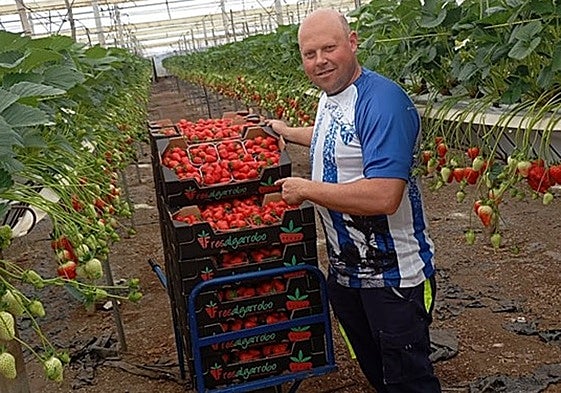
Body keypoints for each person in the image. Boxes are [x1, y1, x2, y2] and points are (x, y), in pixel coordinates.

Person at [269, 8, 442, 393]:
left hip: (393, 278)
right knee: (379, 373)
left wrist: (305, 189)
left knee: (408, 380)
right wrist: (288, 131)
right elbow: (338, 134)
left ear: (352, 42)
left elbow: (385, 195)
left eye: (329, 48)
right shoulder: (333, 95)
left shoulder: (383, 102)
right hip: (348, 273)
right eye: (309, 54)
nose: (319, 61)